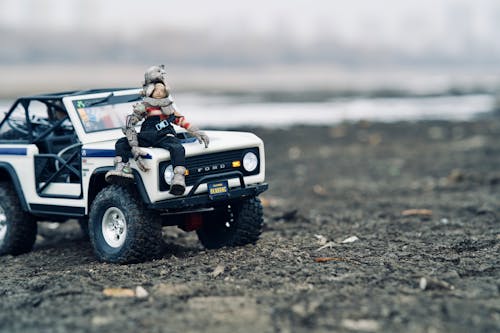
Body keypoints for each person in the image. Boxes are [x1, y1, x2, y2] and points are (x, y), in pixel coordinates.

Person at [105, 65, 209, 195]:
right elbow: (132, 121)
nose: (159, 92)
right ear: (150, 90)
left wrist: (196, 131)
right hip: (147, 135)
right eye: (156, 89)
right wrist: (132, 132)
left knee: (177, 148)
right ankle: (122, 168)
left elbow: (181, 121)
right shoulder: (145, 107)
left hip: (165, 135)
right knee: (121, 143)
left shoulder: (169, 109)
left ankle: (178, 178)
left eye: (162, 89)